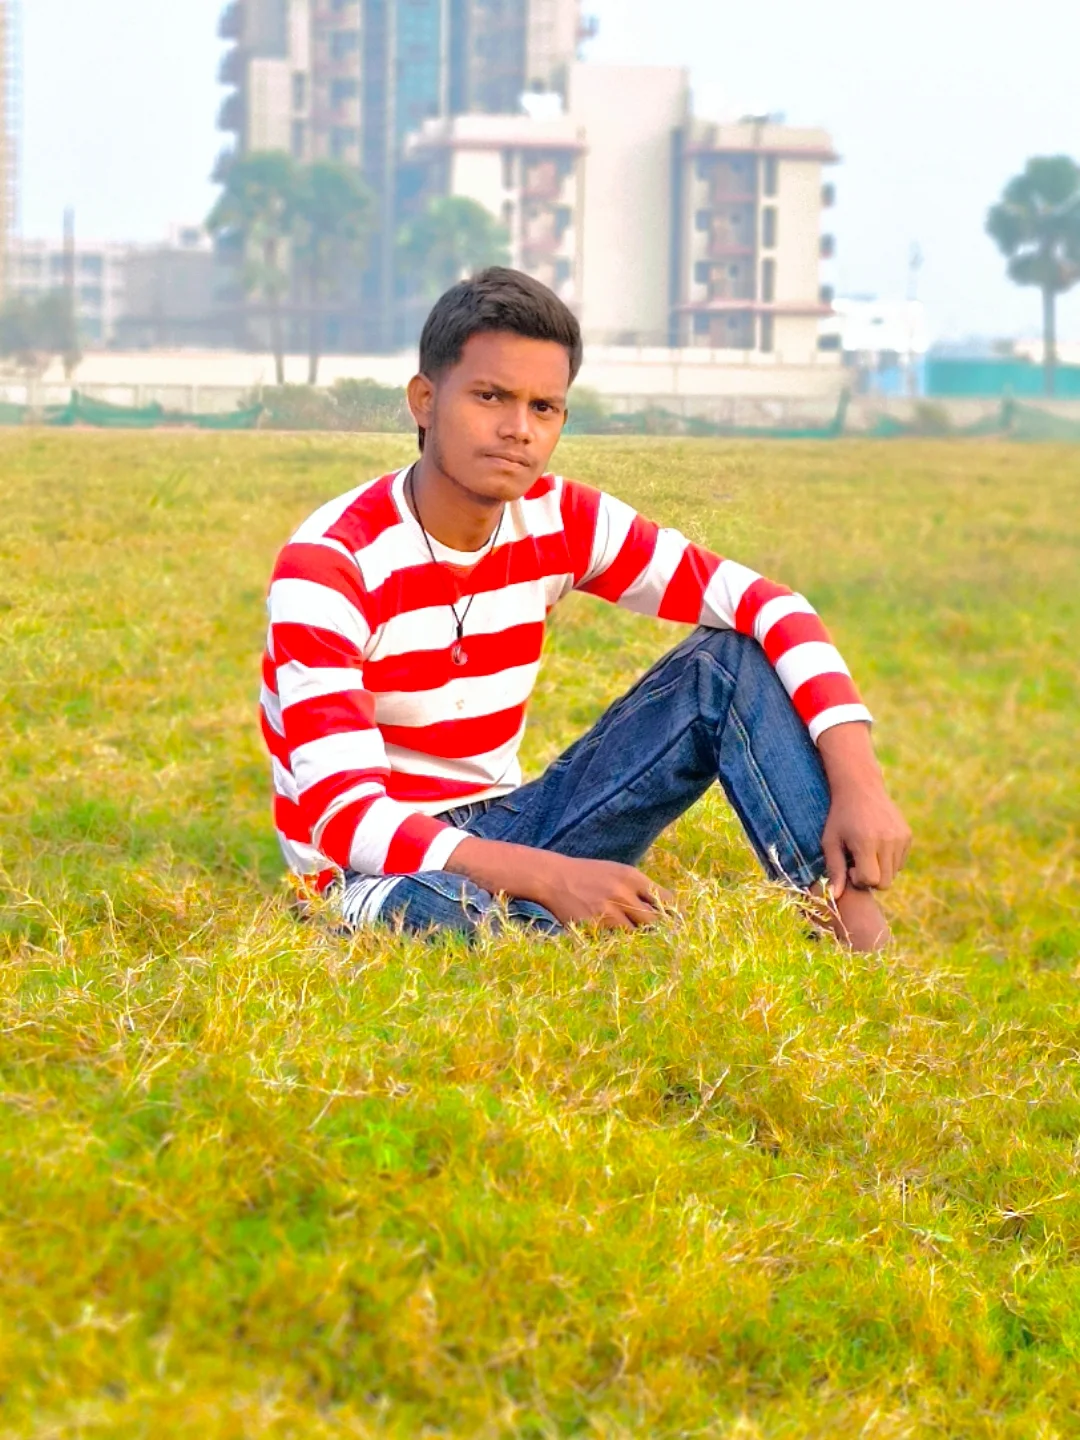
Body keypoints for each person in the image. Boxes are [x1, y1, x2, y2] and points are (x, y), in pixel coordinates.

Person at [260, 268, 911, 951]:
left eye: (543, 407)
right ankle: (549, 921)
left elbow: (771, 606)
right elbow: (346, 819)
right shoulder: (331, 564)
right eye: (490, 396)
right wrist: (552, 876)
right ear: (425, 401)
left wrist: (859, 783)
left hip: (513, 823)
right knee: (448, 912)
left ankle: (850, 926)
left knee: (727, 659)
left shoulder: (561, 520)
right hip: (370, 868)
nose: (518, 429)